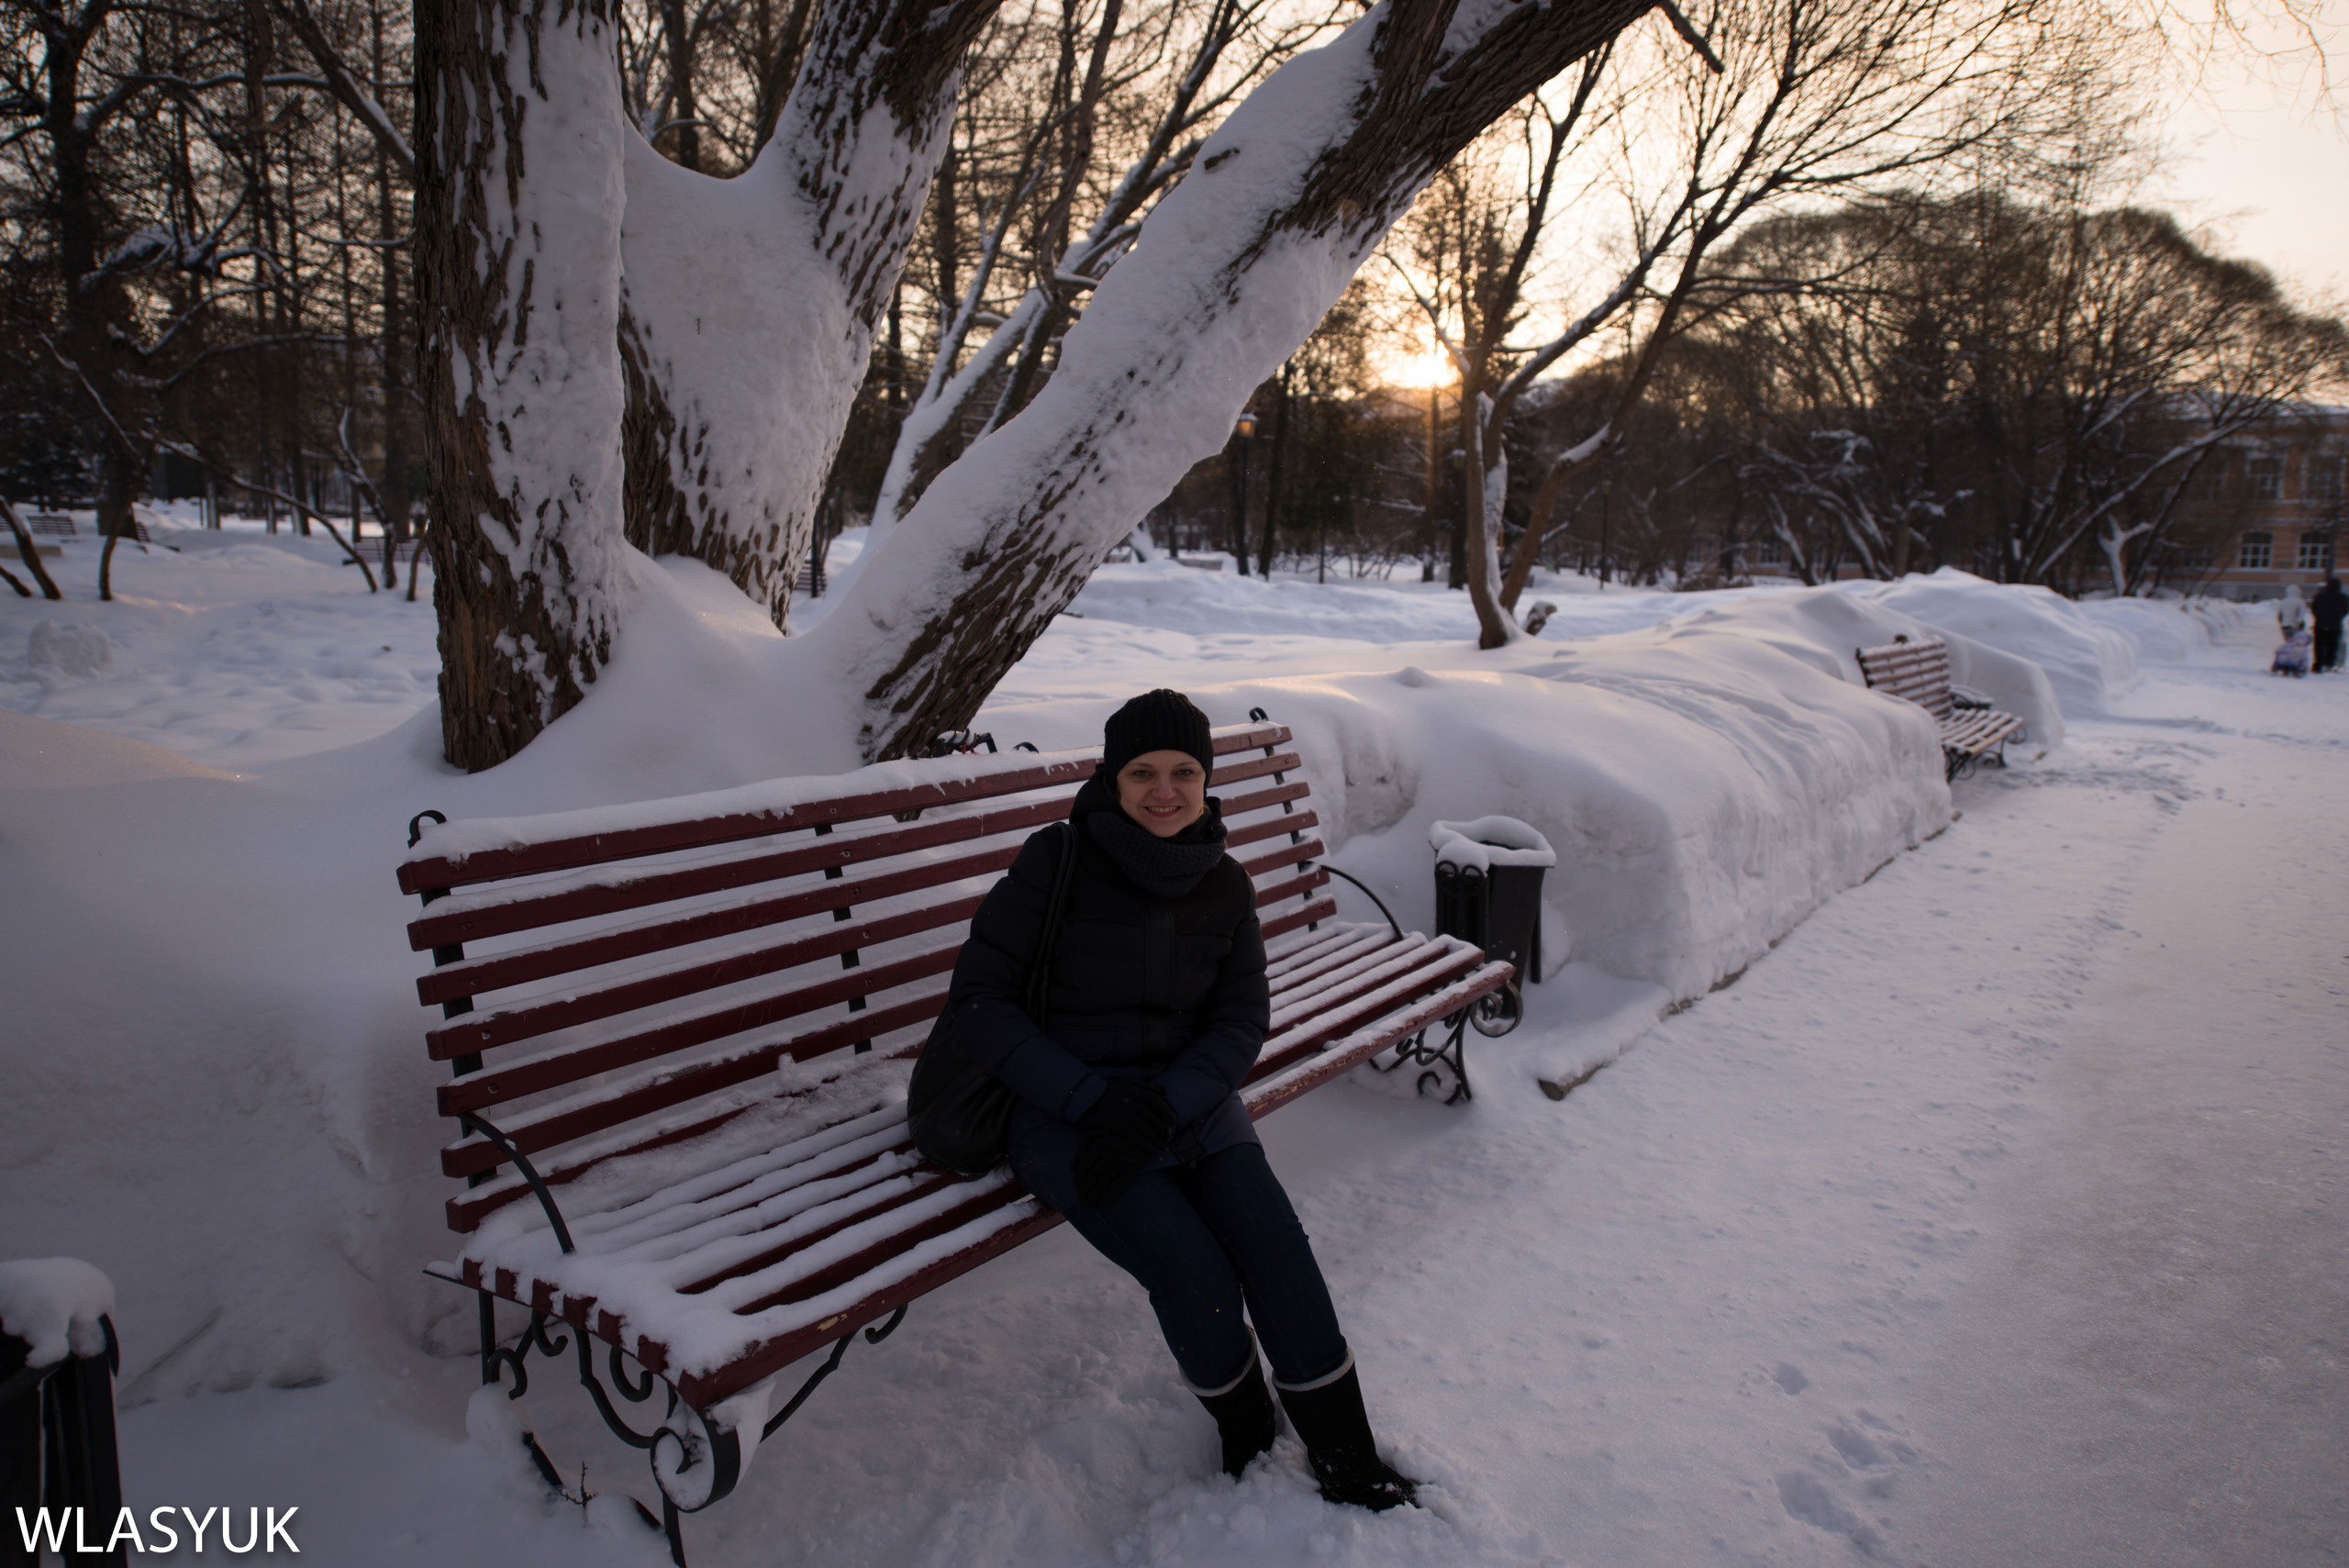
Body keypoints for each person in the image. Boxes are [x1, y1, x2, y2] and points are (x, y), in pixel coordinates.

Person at [946, 689, 1418, 1511]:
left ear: (1206, 779)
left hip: (1188, 1102)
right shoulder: (1054, 860)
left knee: (1275, 1247)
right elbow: (980, 1004)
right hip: (1060, 1109)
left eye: (1183, 772)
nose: (1163, 790)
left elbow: (1241, 1019)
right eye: (1142, 771)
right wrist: (1094, 1100)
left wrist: (1170, 1102)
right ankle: (1245, 1427)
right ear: (1111, 776)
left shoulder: (1224, 881)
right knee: (1191, 1268)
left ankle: (1346, 1452)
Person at [2310, 574, 2347, 673]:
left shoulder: (2319, 596)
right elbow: (2346, 610)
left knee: (2319, 645)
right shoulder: (2344, 597)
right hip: (2335, 626)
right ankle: (2330, 663)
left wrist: (2319, 617)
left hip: (2320, 625)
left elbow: (2314, 608)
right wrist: (2338, 617)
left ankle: (2318, 664)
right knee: (2333, 645)